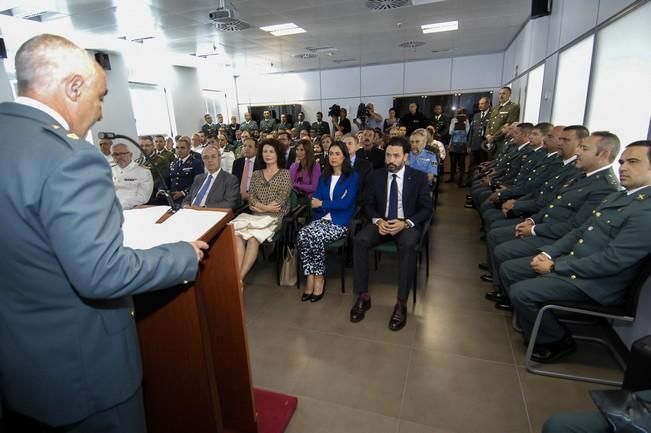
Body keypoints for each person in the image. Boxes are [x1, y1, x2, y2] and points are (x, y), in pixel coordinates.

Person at [0, 34, 207, 433]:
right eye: (99, 97)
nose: (99, 113)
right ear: (73, 87)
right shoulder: (71, 158)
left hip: (20, 367)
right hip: (83, 371)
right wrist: (182, 254)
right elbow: (101, 273)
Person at [503, 141, 651, 363]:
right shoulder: (621, 197)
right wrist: (550, 254)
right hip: (576, 264)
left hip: (598, 283)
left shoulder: (646, 211)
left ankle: (556, 340)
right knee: (511, 269)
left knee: (522, 292)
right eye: (621, 162)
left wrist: (555, 267)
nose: (622, 167)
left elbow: (611, 261)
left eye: (633, 162)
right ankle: (538, 328)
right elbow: (580, 231)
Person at [351, 137, 433, 331]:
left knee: (408, 245)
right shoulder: (376, 175)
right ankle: (363, 297)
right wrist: (378, 220)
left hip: (405, 224)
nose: (391, 160)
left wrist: (406, 223)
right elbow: (368, 204)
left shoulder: (418, 177)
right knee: (360, 240)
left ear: (405, 156)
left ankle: (401, 303)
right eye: (388, 155)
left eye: (396, 156)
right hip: (382, 222)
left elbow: (426, 209)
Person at [297, 141, 359, 302]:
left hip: (339, 222)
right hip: (321, 219)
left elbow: (346, 203)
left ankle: (319, 278)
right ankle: (310, 275)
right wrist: (322, 204)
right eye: (331, 153)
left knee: (314, 237)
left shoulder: (352, 177)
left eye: (337, 153)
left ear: (344, 156)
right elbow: (316, 199)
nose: (333, 157)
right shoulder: (324, 177)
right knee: (303, 234)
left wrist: (323, 203)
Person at [231, 139, 292, 282]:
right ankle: (238, 277)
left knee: (253, 239)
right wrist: (263, 207)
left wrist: (259, 207)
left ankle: (239, 279)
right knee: (236, 235)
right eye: (265, 151)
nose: (268, 154)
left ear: (278, 154)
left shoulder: (285, 174)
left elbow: (279, 202)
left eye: (271, 151)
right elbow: (251, 198)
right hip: (256, 216)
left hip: (275, 218)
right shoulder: (257, 174)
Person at [182, 145, 240, 209]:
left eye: (213, 157)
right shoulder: (198, 178)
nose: (209, 160)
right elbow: (188, 198)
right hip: (190, 212)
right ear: (203, 160)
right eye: (206, 157)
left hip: (210, 214)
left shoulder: (230, 179)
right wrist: (186, 205)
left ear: (220, 158)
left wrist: (204, 208)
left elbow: (230, 203)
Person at [110, 142, 153, 209]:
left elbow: (143, 197)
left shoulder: (143, 172)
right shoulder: (109, 171)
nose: (119, 157)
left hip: (131, 209)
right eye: (115, 154)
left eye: (122, 154)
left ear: (130, 154)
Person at [166, 135, 205, 205]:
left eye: (182, 148)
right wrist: (162, 190)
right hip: (173, 199)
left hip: (188, 199)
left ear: (189, 149)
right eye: (177, 148)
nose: (179, 150)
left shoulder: (196, 163)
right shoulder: (173, 163)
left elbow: (199, 183)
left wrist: (183, 192)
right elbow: (168, 179)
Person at [485, 86, 520, 157]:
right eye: (500, 94)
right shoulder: (495, 108)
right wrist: (488, 135)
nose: (501, 96)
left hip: (501, 141)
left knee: (498, 162)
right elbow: (489, 123)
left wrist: (494, 137)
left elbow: (508, 125)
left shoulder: (513, 107)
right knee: (489, 162)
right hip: (491, 141)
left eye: (504, 93)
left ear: (509, 95)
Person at [447, 108, 470, 185]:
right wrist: (458, 126)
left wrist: (458, 127)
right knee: (458, 163)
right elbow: (451, 132)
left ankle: (457, 179)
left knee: (458, 163)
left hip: (459, 144)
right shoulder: (458, 120)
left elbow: (451, 132)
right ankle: (456, 179)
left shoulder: (463, 121)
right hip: (457, 143)